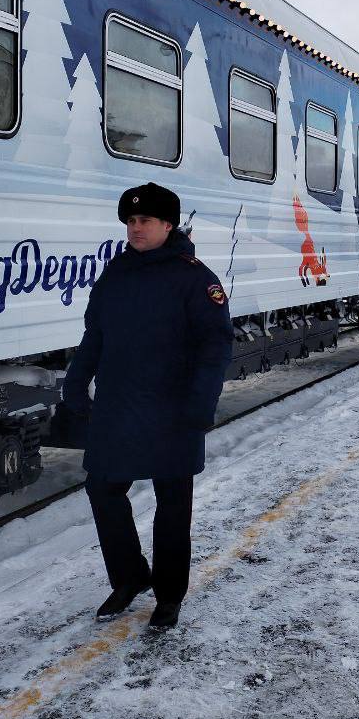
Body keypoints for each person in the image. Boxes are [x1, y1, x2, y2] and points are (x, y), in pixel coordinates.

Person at [62, 183, 234, 627]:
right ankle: (130, 577)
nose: (135, 228)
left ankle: (169, 594)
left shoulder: (195, 278)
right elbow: (94, 335)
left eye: (145, 221)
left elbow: (215, 346)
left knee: (172, 501)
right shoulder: (115, 273)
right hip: (119, 405)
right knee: (102, 488)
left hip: (173, 407)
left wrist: (201, 403)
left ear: (168, 225)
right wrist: (76, 383)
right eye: (130, 221)